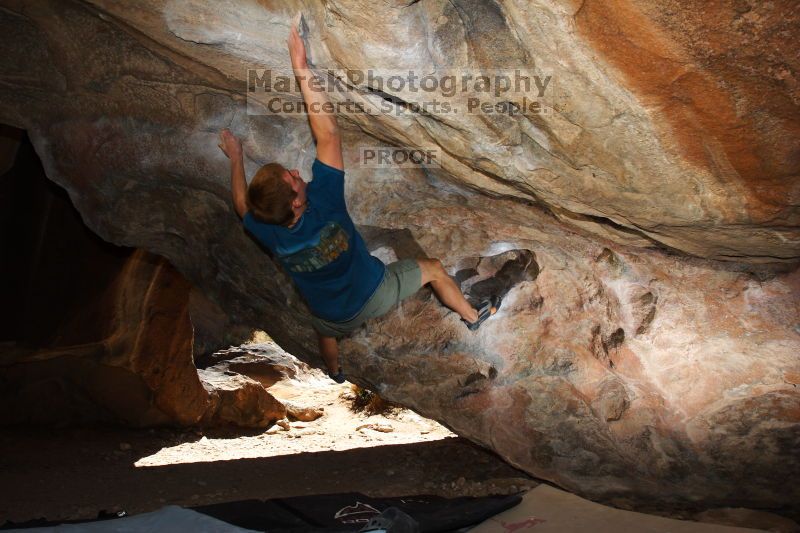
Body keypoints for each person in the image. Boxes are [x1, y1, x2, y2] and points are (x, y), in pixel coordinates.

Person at [218, 16, 498, 382]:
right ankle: (474, 318)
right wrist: (300, 67)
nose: (299, 175)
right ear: (298, 203)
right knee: (432, 268)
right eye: (294, 180)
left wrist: (236, 159)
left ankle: (334, 370)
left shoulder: (268, 229)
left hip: (332, 315)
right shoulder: (325, 202)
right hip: (376, 293)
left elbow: (241, 206)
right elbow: (329, 134)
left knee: (325, 331)